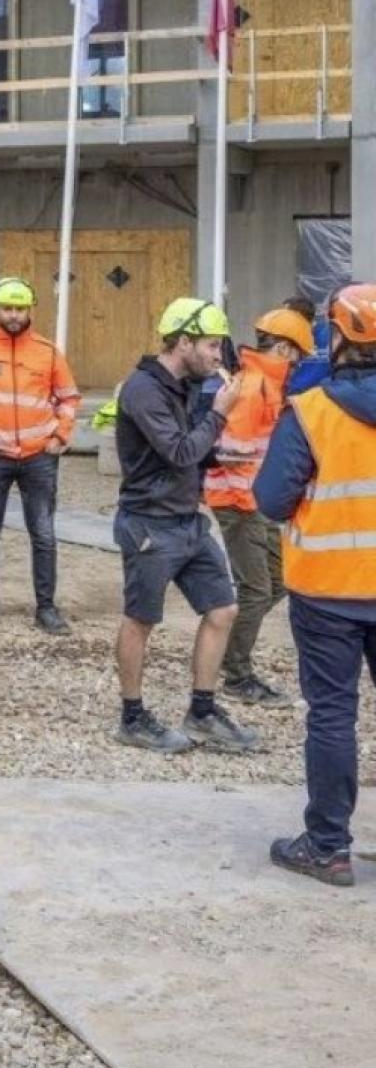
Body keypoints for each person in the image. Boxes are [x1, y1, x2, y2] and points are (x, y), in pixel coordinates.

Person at [258, 284, 376, 885]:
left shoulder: (310, 411)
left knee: (333, 715)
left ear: (336, 339)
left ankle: (328, 846)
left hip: (328, 591)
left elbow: (272, 500)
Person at [109, 298, 257, 754]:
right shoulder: (143, 389)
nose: (219, 356)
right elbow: (176, 452)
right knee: (141, 619)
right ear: (184, 342)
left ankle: (203, 710)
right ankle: (132, 717)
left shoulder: (187, 385)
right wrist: (220, 413)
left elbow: (191, 451)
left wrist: (224, 450)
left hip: (187, 519)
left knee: (222, 610)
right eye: (212, 346)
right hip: (149, 522)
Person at [0, 278, 82, 636]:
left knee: (43, 533)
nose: (13, 315)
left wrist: (60, 436)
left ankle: (47, 609)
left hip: (39, 455)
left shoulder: (49, 352)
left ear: (29, 311)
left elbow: (69, 398)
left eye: (20, 308)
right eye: (7, 308)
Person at [202, 307, 314, 707]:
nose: (299, 361)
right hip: (239, 501)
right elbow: (229, 452)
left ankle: (224, 652)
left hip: (253, 500)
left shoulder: (265, 383)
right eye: (297, 353)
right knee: (256, 589)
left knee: (279, 579)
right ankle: (235, 673)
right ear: (283, 347)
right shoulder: (254, 388)